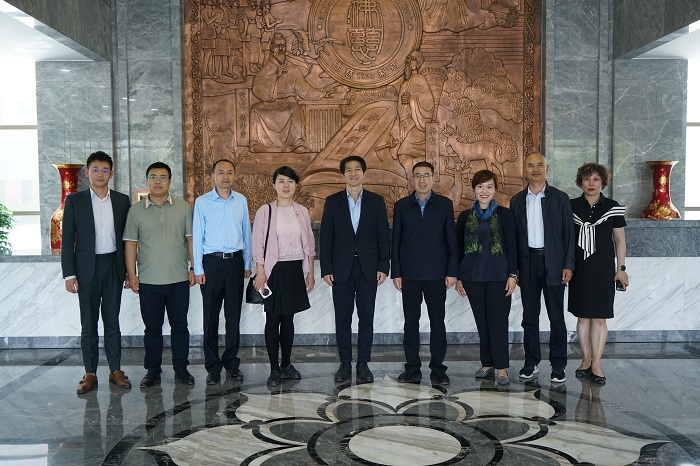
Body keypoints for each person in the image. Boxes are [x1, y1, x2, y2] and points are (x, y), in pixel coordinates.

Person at [61, 151, 132, 394]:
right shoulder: (75, 201)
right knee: (88, 324)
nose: (100, 174)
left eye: (104, 170)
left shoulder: (122, 201)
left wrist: (129, 271)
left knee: (112, 322)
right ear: (87, 172)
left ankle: (115, 370)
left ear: (111, 173)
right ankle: (90, 372)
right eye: (95, 169)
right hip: (85, 270)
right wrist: (69, 274)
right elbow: (67, 240)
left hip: (113, 266)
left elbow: (128, 239)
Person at [123, 162, 196, 388]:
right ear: (147, 181)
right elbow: (130, 244)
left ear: (170, 181)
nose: (158, 181)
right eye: (153, 177)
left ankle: (181, 368)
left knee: (180, 326)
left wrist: (194, 268)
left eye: (163, 177)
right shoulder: (136, 211)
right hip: (148, 281)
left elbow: (191, 240)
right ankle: (153, 370)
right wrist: (131, 274)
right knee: (152, 329)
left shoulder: (183, 208)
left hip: (178, 279)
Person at [320, 155, 390, 384]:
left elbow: (383, 235)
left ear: (363, 173)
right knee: (342, 317)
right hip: (341, 269)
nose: (353, 173)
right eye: (348, 170)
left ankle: (363, 363)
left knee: (366, 316)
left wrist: (383, 265)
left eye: (357, 169)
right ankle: (344, 362)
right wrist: (326, 268)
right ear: (343, 175)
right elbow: (326, 237)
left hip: (369, 268)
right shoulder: (332, 202)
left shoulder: (376, 201)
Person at [509, 152, 575, 383]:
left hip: (554, 263)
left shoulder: (560, 198)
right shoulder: (517, 200)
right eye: (530, 165)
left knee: (556, 317)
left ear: (546, 169)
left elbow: (569, 234)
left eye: (540, 165)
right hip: (528, 264)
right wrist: (514, 267)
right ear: (524, 170)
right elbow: (513, 239)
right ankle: (531, 361)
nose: (535, 169)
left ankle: (558, 364)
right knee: (529, 317)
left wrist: (568, 264)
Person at [391, 161, 457, 385]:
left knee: (438, 321)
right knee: (411, 322)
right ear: (412, 179)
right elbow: (396, 242)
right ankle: (412, 368)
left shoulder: (444, 205)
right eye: (418, 175)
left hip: (437, 274)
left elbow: (451, 241)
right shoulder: (402, 206)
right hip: (409, 274)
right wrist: (396, 273)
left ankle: (438, 368)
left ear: (433, 178)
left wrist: (451, 272)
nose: (422, 180)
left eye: (426, 175)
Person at [252, 166, 315, 387]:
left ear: (295, 185)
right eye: (281, 181)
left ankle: (286, 364)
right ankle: (274, 369)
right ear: (274, 185)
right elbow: (258, 244)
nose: (286, 185)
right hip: (274, 271)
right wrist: (261, 272)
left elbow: (310, 244)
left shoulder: (302, 211)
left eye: (290, 181)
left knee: (289, 319)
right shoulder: (265, 211)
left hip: (295, 269)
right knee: (273, 319)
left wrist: (310, 272)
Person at [192, 159, 253, 385]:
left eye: (229, 172)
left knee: (233, 316)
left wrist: (247, 263)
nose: (225, 177)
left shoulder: (241, 201)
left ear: (234, 175)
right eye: (221, 172)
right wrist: (198, 268)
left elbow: (247, 232)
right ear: (213, 176)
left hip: (235, 262)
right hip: (211, 264)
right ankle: (212, 366)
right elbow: (197, 236)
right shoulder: (202, 202)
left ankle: (231, 362)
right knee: (210, 316)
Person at [455, 170, 517, 385]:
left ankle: (502, 368)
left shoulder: (504, 215)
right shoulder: (465, 217)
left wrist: (513, 275)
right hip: (472, 277)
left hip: (499, 277)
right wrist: (459, 277)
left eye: (489, 186)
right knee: (482, 323)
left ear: (495, 190)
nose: (484, 191)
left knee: (498, 322)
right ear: (474, 189)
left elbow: (512, 246)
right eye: (480, 186)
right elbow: (459, 249)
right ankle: (487, 363)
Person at [569, 163, 627, 385]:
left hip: (603, 269)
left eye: (595, 179)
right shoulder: (571, 206)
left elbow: (620, 241)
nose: (591, 183)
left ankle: (597, 364)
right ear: (580, 182)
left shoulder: (612, 207)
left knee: (600, 318)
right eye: (586, 179)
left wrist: (621, 269)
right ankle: (585, 360)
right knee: (583, 317)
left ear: (603, 182)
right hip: (579, 269)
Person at [250, 33, 330, 153]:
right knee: (255, 110)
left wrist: (322, 94)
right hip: (269, 103)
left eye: (283, 46)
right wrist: (276, 76)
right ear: (272, 47)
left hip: (288, 102)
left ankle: (297, 143)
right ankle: (256, 143)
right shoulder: (267, 68)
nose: (281, 48)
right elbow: (258, 86)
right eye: (278, 46)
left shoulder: (292, 68)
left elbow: (305, 88)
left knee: (295, 109)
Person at [396, 51, 434, 189]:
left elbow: (429, 103)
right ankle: (413, 182)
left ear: (417, 64)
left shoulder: (419, 79)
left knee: (403, 154)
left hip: (417, 126)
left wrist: (412, 100)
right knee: (407, 155)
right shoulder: (405, 84)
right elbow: (399, 111)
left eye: (411, 59)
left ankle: (412, 182)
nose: (408, 62)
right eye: (407, 59)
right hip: (406, 125)